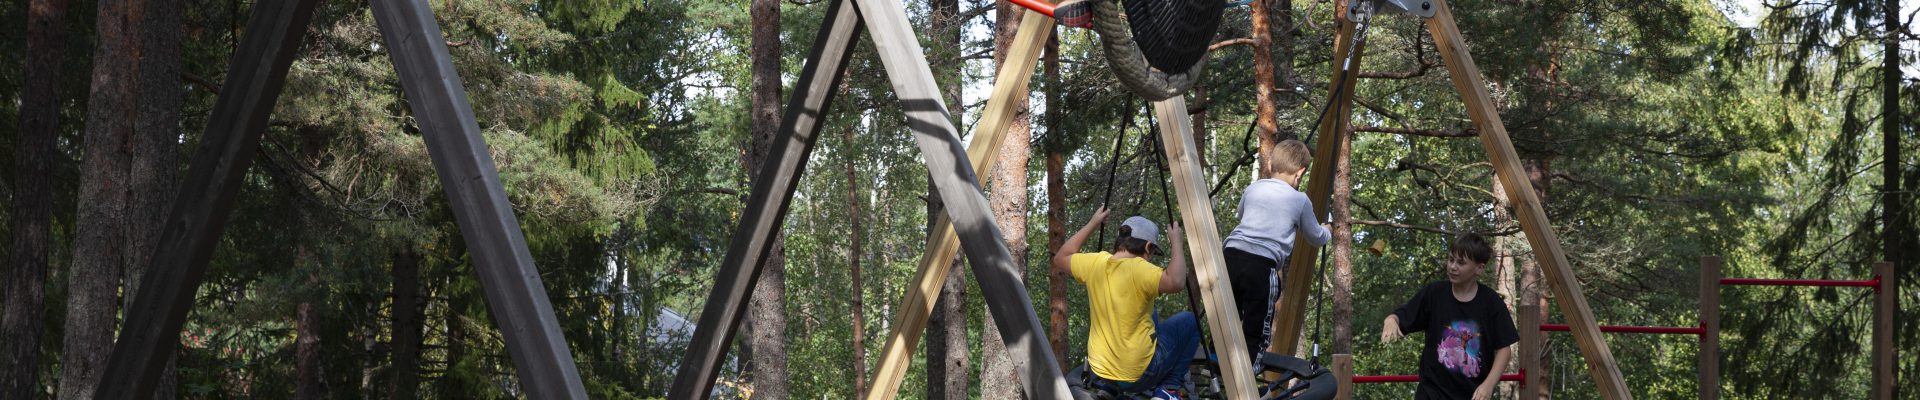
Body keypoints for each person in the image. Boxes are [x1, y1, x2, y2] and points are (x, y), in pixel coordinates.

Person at [1053, 207, 1200, 400]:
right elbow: (1177, 281)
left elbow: (1061, 257)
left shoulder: (1096, 262)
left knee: (1148, 309)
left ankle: (1109, 388)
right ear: (1148, 247)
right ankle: (1169, 390)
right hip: (1137, 375)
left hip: (1101, 370)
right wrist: (1177, 243)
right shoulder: (1141, 269)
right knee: (1189, 321)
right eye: (1153, 253)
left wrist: (1093, 223)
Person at [1221, 139, 1331, 361]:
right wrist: (1328, 229)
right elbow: (1316, 237)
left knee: (1226, 315)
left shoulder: (1253, 188)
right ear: (1300, 173)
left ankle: (1216, 358)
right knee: (1257, 324)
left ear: (1270, 165)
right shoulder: (1300, 200)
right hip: (1261, 265)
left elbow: (1242, 216)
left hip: (1230, 255)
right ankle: (1250, 372)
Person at [1380, 233, 1520, 400]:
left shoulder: (1491, 302)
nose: (1453, 266)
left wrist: (1488, 385)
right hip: (1430, 393)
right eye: (1451, 259)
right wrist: (1390, 321)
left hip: (1472, 394)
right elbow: (1399, 317)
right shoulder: (1434, 293)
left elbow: (1504, 350)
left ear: (1479, 268)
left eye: (1461, 262)